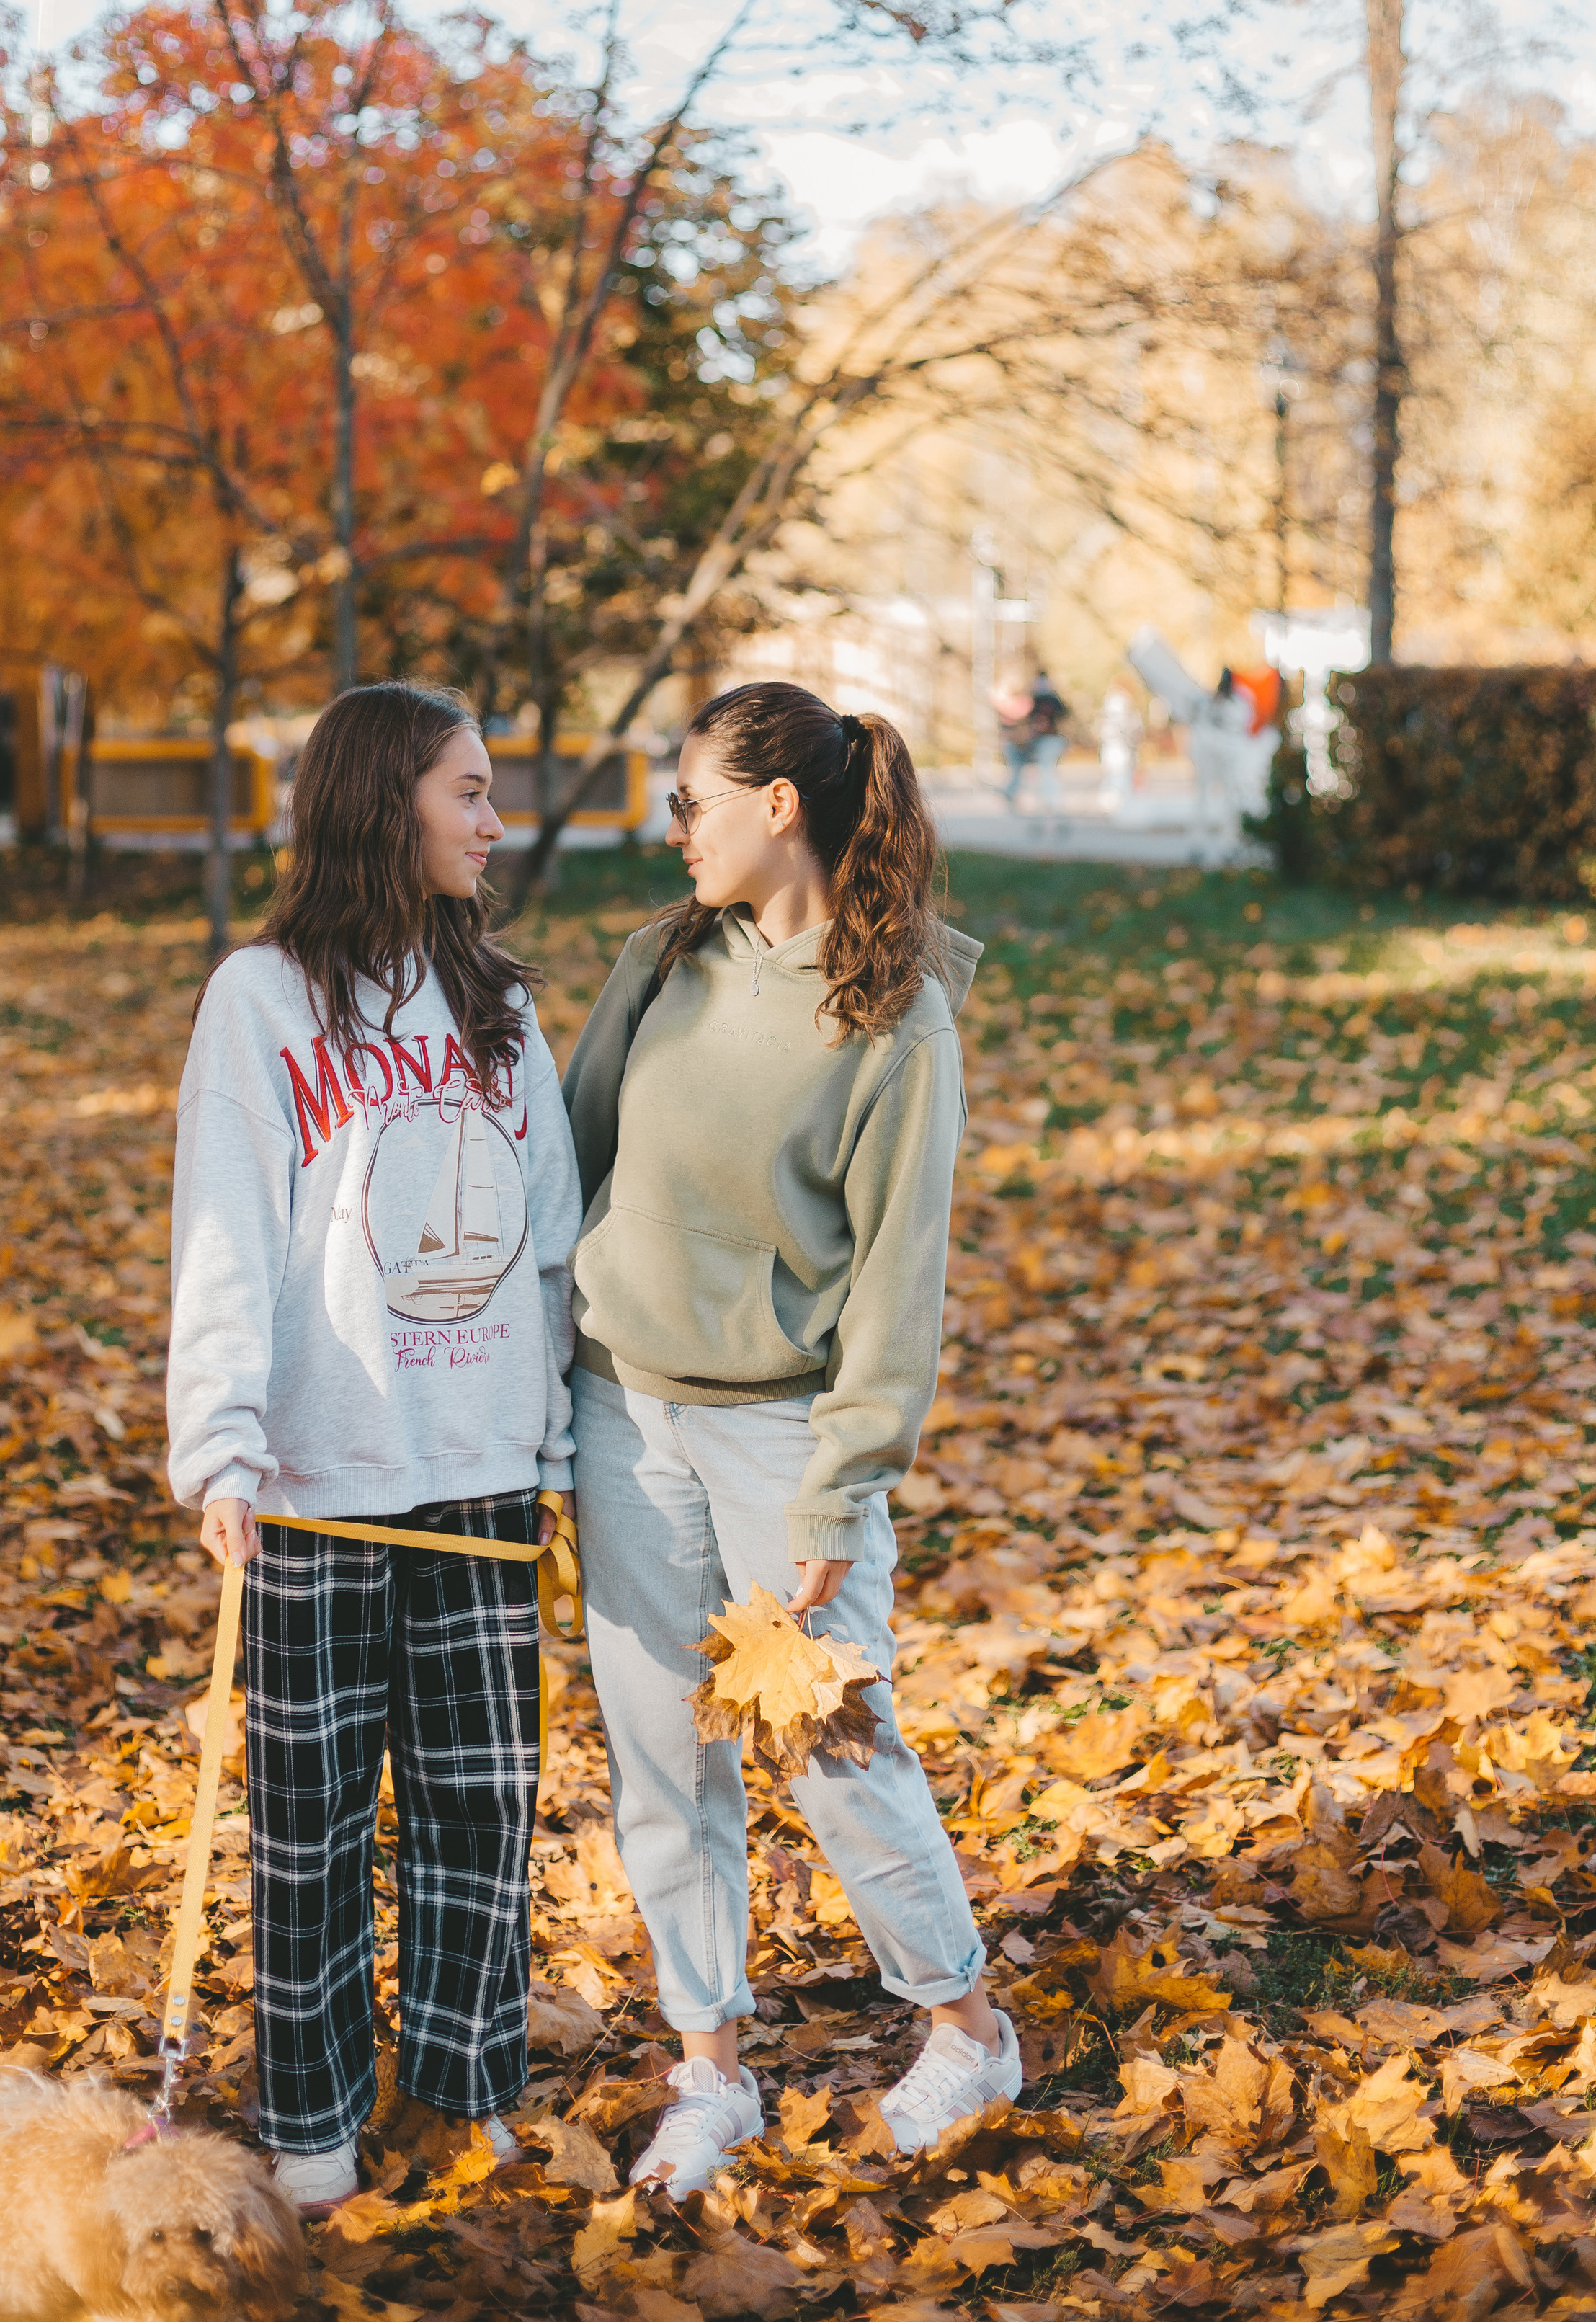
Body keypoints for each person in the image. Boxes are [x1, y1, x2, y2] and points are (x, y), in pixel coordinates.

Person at [563, 680, 1018, 2202]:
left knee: (829, 1749)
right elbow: (571, 1162)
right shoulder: (661, 962)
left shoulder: (896, 1017)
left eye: (689, 797)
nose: (670, 826)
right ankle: (708, 2077)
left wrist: (844, 1484)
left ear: (776, 807)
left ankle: (962, 2027)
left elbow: (898, 1280)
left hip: (780, 1441)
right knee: (660, 1761)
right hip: (621, 1411)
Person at [166, 683, 580, 2217]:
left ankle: (465, 2086)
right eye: (466, 793)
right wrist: (216, 1447)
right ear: (381, 804)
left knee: (480, 1800)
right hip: (320, 1482)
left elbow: (550, 1243)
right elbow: (223, 1235)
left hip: (472, 1474)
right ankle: (313, 2115)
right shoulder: (260, 1000)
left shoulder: (502, 1005)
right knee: (313, 1817)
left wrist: (551, 1449)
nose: (490, 821)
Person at [998, 666, 1069, 813]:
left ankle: (1050, 800)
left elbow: (1063, 715)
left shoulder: (1054, 700)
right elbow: (1023, 719)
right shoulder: (1033, 700)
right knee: (1019, 764)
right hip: (1034, 741)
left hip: (1049, 740)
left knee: (1047, 768)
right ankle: (1011, 791)